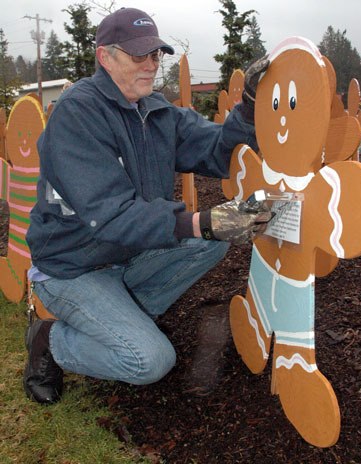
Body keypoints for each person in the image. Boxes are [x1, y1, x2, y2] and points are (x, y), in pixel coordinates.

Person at [24, 7, 271, 404]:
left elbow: (219, 151)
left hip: (126, 257)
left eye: (156, 55)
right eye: (139, 56)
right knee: (149, 361)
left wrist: (250, 106)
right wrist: (200, 220)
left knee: (213, 241)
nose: (151, 65)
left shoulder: (157, 113)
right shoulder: (77, 114)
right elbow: (110, 214)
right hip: (72, 267)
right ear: (105, 56)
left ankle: (121, 315)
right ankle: (51, 340)